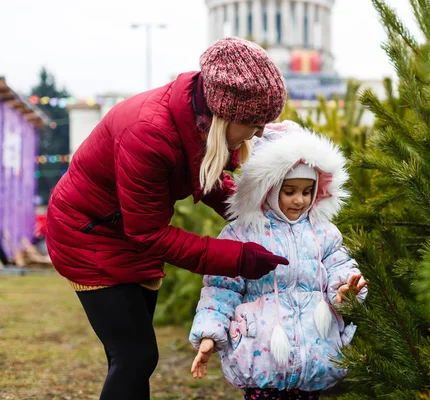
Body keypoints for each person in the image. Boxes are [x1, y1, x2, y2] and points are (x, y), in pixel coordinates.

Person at [45, 37, 289, 400]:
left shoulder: (195, 118)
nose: (259, 133)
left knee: (136, 359)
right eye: (254, 122)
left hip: (127, 234)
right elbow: (148, 232)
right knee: (134, 357)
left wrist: (261, 218)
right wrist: (238, 258)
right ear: (226, 114)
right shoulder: (149, 132)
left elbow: (204, 180)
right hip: (89, 235)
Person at [189, 121, 368, 400]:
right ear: (270, 189)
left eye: (307, 191)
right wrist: (210, 333)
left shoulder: (323, 233)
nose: (299, 200)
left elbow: (339, 267)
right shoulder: (241, 234)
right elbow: (221, 289)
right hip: (261, 356)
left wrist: (345, 288)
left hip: (314, 354)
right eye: (290, 191)